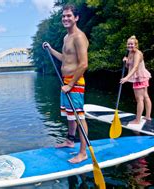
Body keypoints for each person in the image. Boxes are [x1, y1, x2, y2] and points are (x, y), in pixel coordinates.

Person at [42, 4, 89, 164]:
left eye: (69, 16)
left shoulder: (79, 37)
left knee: (79, 117)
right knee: (70, 116)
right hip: (66, 82)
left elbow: (83, 64)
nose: (65, 18)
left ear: (76, 18)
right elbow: (65, 58)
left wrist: (70, 85)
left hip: (74, 84)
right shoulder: (66, 38)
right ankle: (70, 141)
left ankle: (83, 153)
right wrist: (50, 50)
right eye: (63, 16)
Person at [120, 35, 152, 124]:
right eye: (128, 44)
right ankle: (148, 116)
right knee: (145, 96)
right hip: (140, 77)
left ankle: (137, 120)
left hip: (139, 77)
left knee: (140, 99)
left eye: (132, 44)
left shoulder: (138, 53)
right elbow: (129, 66)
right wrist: (126, 61)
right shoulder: (130, 53)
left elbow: (135, 67)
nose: (130, 46)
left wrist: (126, 78)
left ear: (136, 45)